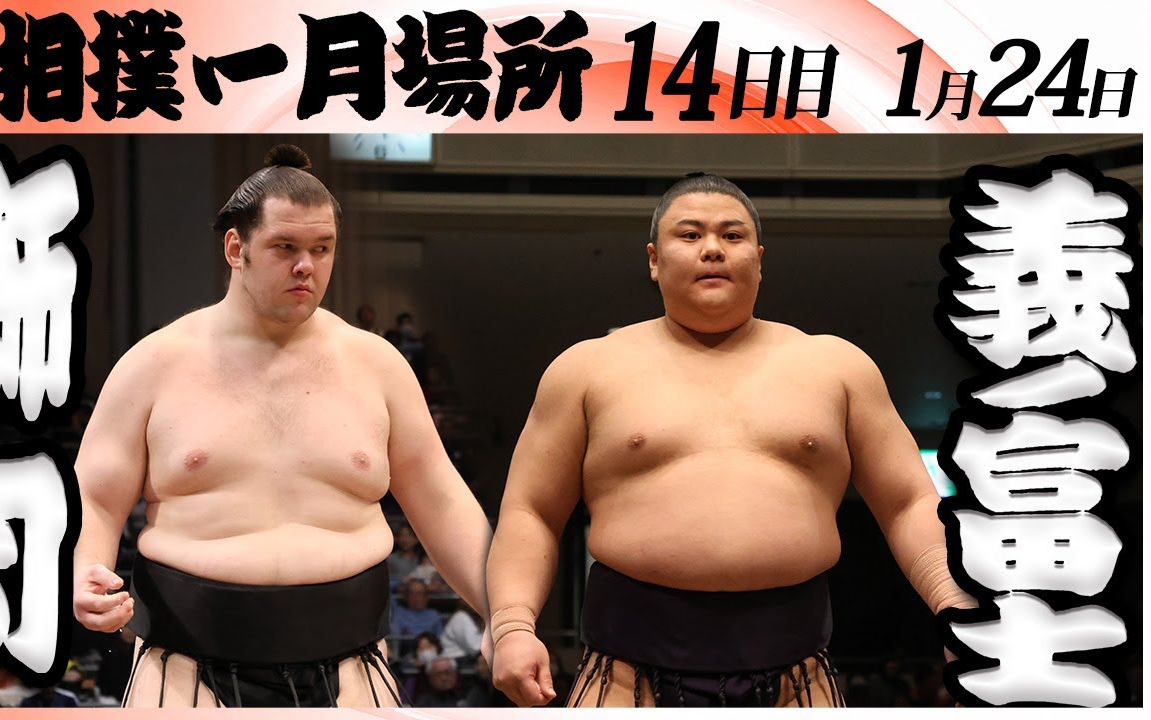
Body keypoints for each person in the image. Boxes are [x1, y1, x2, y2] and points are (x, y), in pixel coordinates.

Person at [486, 173, 973, 708]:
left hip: (798, 673)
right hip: (623, 672)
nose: (713, 249)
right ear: (654, 259)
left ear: (759, 260)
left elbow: (908, 502)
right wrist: (512, 625)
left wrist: (956, 609)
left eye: (732, 235)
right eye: (690, 234)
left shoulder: (837, 366)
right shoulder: (585, 369)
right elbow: (531, 510)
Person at [72, 144, 491, 708]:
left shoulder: (378, 365)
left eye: (322, 249)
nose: (306, 266)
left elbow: (440, 500)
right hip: (184, 668)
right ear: (235, 248)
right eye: (285, 247)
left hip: (351, 666)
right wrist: (87, 572)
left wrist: (504, 612)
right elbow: (95, 499)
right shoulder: (154, 364)